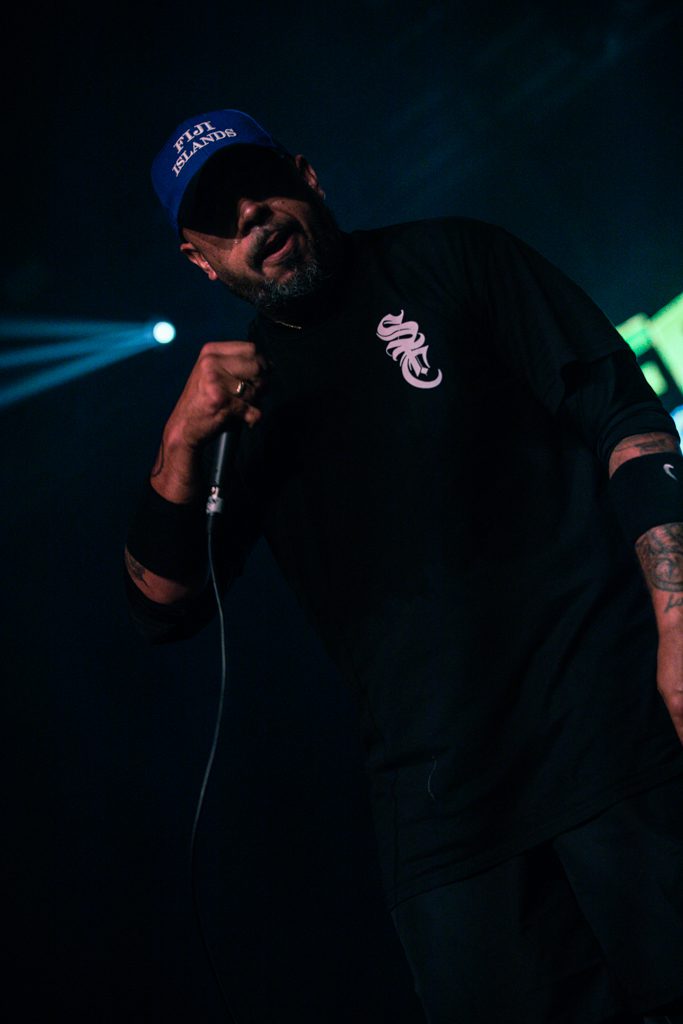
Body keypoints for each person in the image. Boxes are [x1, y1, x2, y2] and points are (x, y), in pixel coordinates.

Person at [125, 108, 683, 1024]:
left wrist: (675, 623)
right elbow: (160, 606)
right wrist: (181, 442)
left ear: (307, 177)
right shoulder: (236, 403)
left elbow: (626, 423)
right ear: (200, 260)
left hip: (613, 740)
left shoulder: (451, 257)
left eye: (260, 186)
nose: (251, 216)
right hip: (446, 823)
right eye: (219, 216)